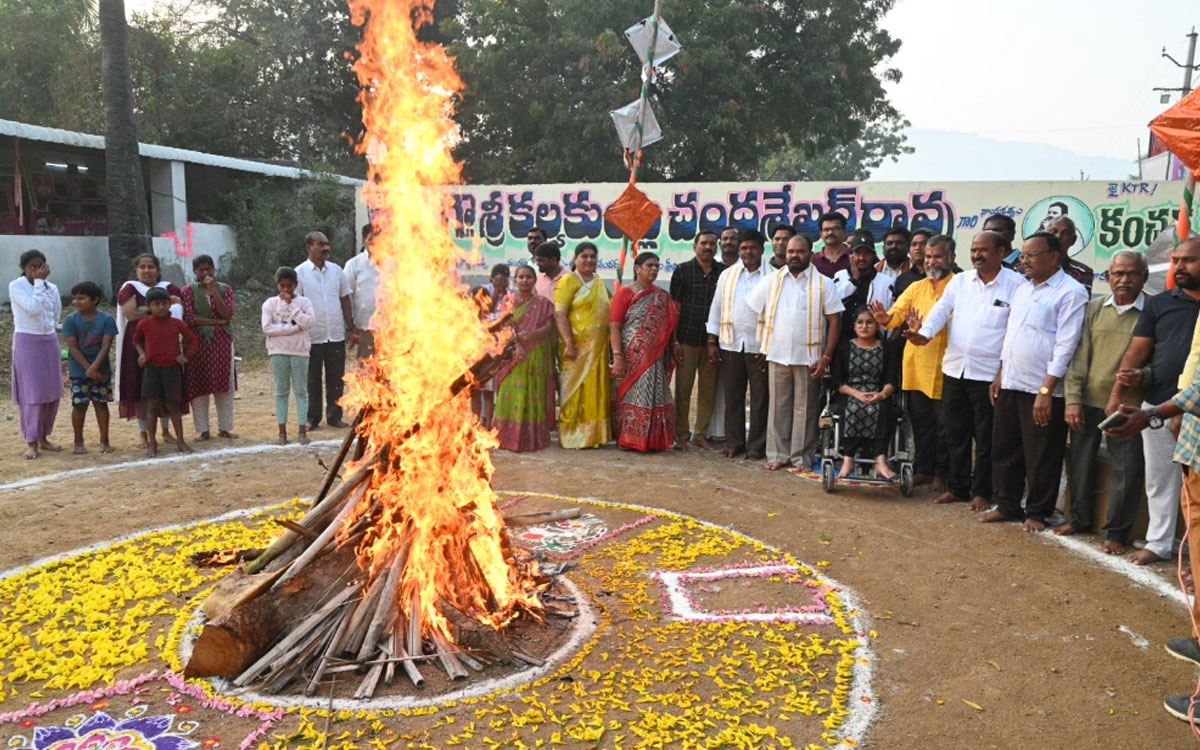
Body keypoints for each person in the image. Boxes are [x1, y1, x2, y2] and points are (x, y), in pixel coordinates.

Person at [980, 232, 1088, 531]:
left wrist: (1046, 389)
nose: (1024, 261)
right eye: (1023, 256)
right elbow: (1011, 335)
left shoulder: (1071, 291)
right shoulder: (1023, 290)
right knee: (1005, 448)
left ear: (1054, 257)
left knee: (1041, 454)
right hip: (1011, 382)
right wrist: (1001, 374)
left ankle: (1037, 512)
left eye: (1031, 255)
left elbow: (1066, 345)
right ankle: (1007, 504)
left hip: (1042, 389)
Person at [908, 230, 1022, 509]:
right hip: (955, 369)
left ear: (1001, 253)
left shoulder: (1017, 285)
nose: (977, 255)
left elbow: (1015, 333)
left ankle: (982, 491)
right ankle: (958, 487)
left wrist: (1002, 372)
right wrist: (924, 334)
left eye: (983, 250)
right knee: (954, 432)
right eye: (974, 250)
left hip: (988, 375)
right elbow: (940, 310)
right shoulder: (960, 281)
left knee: (985, 437)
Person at [1106, 237, 1200, 564]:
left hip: (1196, 411)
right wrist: (1117, 395)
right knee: (1160, 480)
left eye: (1189, 260)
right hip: (1159, 405)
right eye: (1176, 260)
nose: (1179, 267)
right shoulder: (1160, 304)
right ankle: (1160, 543)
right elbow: (1136, 353)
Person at [1054, 251, 1147, 550]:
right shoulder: (1094, 309)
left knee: (1127, 468)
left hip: (1127, 406)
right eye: (1118, 273)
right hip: (1088, 400)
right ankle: (1079, 518)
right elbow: (1078, 356)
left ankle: (1115, 533)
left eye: (1132, 274)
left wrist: (1144, 375)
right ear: (1107, 277)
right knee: (1081, 461)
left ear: (1144, 277)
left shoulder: (1152, 313)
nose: (1124, 280)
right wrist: (1073, 400)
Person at [746, 233, 843, 470]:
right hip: (777, 355)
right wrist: (762, 346)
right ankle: (778, 455)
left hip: (809, 359)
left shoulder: (824, 283)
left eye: (800, 251)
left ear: (810, 253)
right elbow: (753, 309)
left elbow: (835, 321)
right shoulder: (772, 280)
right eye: (791, 251)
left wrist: (826, 357)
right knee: (778, 407)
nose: (794, 255)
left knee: (806, 410)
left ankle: (801, 458)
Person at [871, 234, 957, 489]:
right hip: (916, 366)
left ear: (951, 257)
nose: (931, 261)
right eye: (929, 256)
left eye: (937, 256)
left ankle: (943, 474)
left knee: (945, 425)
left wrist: (924, 329)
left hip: (945, 366)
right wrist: (886, 319)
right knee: (921, 423)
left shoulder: (958, 285)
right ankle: (924, 469)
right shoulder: (917, 286)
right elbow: (898, 313)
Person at [707, 229, 771, 459]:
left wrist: (770, 346)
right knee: (732, 395)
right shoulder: (728, 274)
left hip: (759, 347)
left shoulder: (772, 275)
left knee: (760, 397)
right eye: (744, 248)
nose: (748, 252)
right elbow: (716, 307)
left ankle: (756, 445)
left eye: (753, 247)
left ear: (762, 249)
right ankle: (734, 441)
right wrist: (712, 340)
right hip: (730, 343)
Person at [610, 252, 680, 452]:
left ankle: (652, 440)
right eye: (649, 265)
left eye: (657, 266)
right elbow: (614, 326)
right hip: (631, 356)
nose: (655, 269)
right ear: (637, 268)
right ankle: (629, 439)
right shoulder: (625, 293)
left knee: (654, 395)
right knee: (631, 395)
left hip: (654, 357)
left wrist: (673, 343)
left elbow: (670, 324)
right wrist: (618, 357)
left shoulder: (662, 296)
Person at [115, 253, 184, 445]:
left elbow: (178, 309)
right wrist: (156, 309)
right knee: (142, 388)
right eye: (142, 267)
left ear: (158, 269)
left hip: (164, 343)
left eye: (151, 266)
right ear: (136, 270)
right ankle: (144, 432)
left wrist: (145, 308)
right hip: (139, 344)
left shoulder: (169, 287)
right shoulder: (130, 288)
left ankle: (165, 430)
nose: (147, 270)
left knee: (166, 387)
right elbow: (131, 314)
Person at [670, 230, 726, 450]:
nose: (708, 247)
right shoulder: (682, 271)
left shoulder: (724, 272)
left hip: (713, 342)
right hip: (685, 338)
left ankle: (700, 434)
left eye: (712, 244)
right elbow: (675, 308)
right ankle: (681, 436)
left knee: (708, 390)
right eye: (704, 243)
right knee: (683, 390)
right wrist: (674, 341)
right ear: (695, 247)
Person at [554, 242, 612, 448]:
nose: (589, 260)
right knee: (574, 390)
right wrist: (569, 343)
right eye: (584, 256)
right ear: (575, 259)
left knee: (595, 388)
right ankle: (571, 435)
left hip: (598, 351)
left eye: (592, 256)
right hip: (575, 348)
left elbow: (610, 313)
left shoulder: (599, 283)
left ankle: (594, 435)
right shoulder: (567, 281)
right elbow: (559, 314)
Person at [494, 265, 557, 452]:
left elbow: (549, 326)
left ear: (534, 280)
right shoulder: (508, 301)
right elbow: (506, 326)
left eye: (528, 277)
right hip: (513, 355)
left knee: (533, 394)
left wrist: (535, 333)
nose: (524, 280)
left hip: (536, 355)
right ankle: (505, 438)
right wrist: (519, 346)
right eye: (521, 277)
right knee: (511, 393)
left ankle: (531, 439)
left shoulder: (543, 303)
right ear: (515, 279)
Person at [295, 231, 354, 430]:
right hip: (312, 335)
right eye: (321, 244)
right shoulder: (299, 273)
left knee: (336, 378)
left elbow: (345, 299)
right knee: (312, 378)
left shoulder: (337, 271)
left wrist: (350, 327)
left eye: (327, 244)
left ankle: (335, 416)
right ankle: (313, 418)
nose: (326, 248)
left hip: (335, 333)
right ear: (308, 247)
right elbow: (295, 305)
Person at [832, 308, 899, 479]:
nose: (864, 326)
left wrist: (881, 395)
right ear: (853, 325)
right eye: (860, 322)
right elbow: (838, 382)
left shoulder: (888, 348)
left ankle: (881, 461)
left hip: (878, 393)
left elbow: (891, 381)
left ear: (877, 326)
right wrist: (857, 394)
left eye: (870, 323)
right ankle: (848, 460)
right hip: (849, 393)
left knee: (883, 410)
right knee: (852, 408)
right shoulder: (843, 347)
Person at [9, 250, 63, 460]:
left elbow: (55, 313)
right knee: (33, 392)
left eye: (41, 266)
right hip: (27, 339)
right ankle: (31, 441)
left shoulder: (53, 288)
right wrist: (39, 284)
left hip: (48, 339)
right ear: (24, 268)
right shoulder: (16, 286)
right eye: (33, 267)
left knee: (51, 391)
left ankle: (43, 437)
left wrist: (42, 284)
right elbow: (33, 308)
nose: (37, 270)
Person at [133, 287, 198, 457]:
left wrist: (186, 356)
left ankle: (181, 441)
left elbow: (192, 340)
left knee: (173, 406)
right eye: (156, 304)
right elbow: (136, 341)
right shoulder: (144, 324)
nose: (161, 307)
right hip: (152, 368)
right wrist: (142, 355)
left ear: (170, 304)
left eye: (164, 303)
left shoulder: (177, 323)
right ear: (149, 306)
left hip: (172, 368)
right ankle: (152, 442)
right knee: (152, 406)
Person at [181, 254, 236, 441]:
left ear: (214, 269)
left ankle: (225, 427)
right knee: (199, 384)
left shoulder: (224, 289)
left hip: (222, 342)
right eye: (201, 270)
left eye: (208, 269)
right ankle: (203, 429)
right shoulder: (188, 291)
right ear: (195, 272)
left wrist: (213, 292)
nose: (205, 273)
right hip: (197, 343)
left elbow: (228, 314)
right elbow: (189, 318)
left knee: (224, 385)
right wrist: (216, 321)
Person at [62, 281, 117, 455]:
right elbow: (73, 348)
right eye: (74, 298)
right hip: (80, 370)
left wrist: (94, 368)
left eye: (81, 298)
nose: (76, 302)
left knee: (101, 404)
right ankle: (78, 441)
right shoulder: (71, 320)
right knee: (79, 405)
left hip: (101, 369)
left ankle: (105, 440)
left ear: (95, 300)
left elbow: (106, 346)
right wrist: (88, 369)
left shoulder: (107, 320)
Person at [262, 266, 315, 446]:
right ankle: (282, 432)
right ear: (277, 285)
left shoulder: (304, 302)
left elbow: (308, 323)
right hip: (278, 351)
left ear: (295, 285)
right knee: (281, 392)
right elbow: (267, 328)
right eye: (282, 286)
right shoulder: (270, 304)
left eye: (289, 286)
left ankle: (302, 430)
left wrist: (291, 306)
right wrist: (292, 328)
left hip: (299, 351)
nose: (286, 290)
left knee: (301, 391)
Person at [833, 233, 893, 344]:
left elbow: (892, 315)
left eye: (866, 254)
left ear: (873, 255)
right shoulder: (840, 276)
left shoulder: (886, 282)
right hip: (842, 342)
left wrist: (887, 342)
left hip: (874, 343)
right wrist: (854, 281)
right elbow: (834, 304)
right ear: (850, 255)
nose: (861, 258)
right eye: (857, 253)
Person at [344, 223, 381, 361]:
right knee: (366, 370)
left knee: (390, 369)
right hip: (365, 326)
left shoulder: (394, 264)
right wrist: (350, 326)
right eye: (371, 239)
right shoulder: (354, 264)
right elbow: (347, 295)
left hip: (391, 328)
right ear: (363, 240)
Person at [1045, 216, 1094, 293]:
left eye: (1065, 233)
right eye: (1053, 232)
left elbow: (1078, 301)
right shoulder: (1028, 269)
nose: (1058, 236)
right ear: (1044, 237)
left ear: (1073, 240)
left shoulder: (1082, 272)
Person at [894, 228, 933, 298]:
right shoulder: (902, 280)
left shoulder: (948, 274)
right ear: (909, 250)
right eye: (914, 244)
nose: (917, 248)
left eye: (924, 244)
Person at [812, 211, 850, 278]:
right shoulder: (813, 261)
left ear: (844, 231)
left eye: (835, 229)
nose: (830, 233)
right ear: (821, 234)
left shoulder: (854, 257)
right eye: (826, 229)